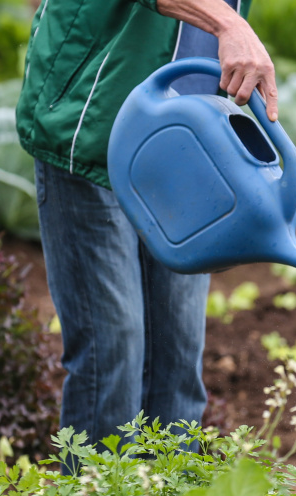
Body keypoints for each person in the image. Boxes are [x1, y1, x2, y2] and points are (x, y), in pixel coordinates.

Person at [15, 0, 277, 466]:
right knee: (112, 346)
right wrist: (227, 23)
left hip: (190, 137)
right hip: (92, 121)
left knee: (178, 354)